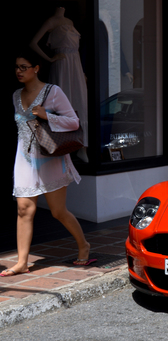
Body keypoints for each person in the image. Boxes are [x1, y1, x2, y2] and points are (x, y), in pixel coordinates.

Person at [2, 52, 93, 277]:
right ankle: (22, 262)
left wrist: (46, 115)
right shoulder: (16, 95)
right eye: (16, 67)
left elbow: (73, 122)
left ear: (36, 68)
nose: (19, 71)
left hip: (50, 159)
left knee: (58, 211)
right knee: (24, 209)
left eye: (24, 66)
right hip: (24, 159)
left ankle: (84, 245)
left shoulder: (53, 92)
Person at [30, 6, 89, 162]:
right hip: (61, 65)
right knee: (63, 103)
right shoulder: (51, 22)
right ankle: (62, 146)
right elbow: (33, 43)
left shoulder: (69, 21)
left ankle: (82, 146)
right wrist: (49, 59)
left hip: (75, 66)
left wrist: (81, 71)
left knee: (80, 102)